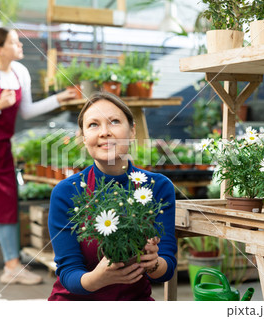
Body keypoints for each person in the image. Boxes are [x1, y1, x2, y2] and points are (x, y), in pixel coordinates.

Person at [0, 27, 76, 288]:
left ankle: (12, 267)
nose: (20, 45)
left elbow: (27, 111)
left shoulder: (21, 72)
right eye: (14, 41)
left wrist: (58, 99)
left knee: (7, 201)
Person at [48, 92, 177, 301]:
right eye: (93, 125)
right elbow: (68, 272)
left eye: (114, 122)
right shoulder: (66, 192)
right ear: (82, 138)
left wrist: (153, 262)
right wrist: (97, 279)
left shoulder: (158, 187)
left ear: (132, 131)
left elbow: (167, 267)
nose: (105, 132)